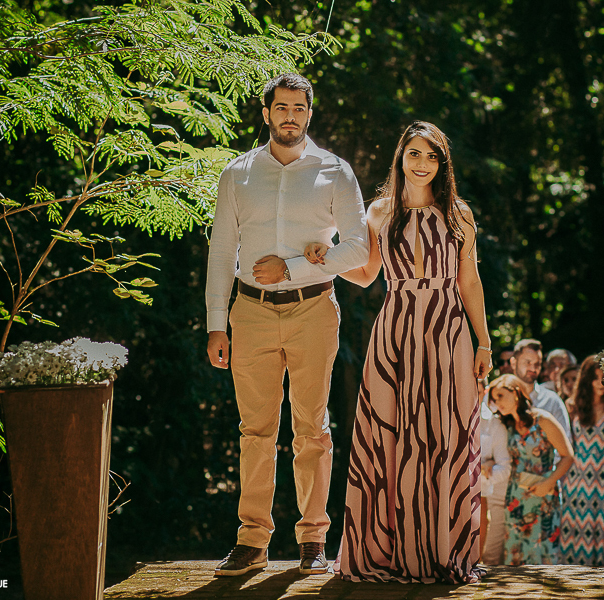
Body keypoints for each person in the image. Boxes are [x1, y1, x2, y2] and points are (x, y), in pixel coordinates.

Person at [306, 121, 491, 583]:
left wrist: (483, 340)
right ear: (401, 156)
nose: (422, 163)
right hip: (397, 328)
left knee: (444, 435)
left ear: (442, 164)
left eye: (432, 156)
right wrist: (322, 260)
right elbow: (368, 275)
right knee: (390, 435)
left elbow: (469, 281)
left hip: (448, 330)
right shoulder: (380, 212)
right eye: (414, 153)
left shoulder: (459, 214)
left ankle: (440, 551)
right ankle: (389, 548)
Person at [205, 73, 369, 576]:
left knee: (312, 430)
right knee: (254, 429)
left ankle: (313, 540)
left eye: (299, 108)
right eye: (282, 107)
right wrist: (216, 323)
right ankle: (252, 541)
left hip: (313, 310)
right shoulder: (238, 173)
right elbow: (220, 251)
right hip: (249, 314)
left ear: (310, 114)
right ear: (266, 112)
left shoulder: (335, 172)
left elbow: (360, 249)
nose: (290, 116)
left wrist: (295, 268)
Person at [487, 374, 574, 566]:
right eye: (494, 398)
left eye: (500, 395)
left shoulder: (543, 419)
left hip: (543, 494)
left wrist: (548, 482)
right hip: (516, 497)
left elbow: (568, 456)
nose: (497, 402)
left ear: (516, 393)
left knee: (543, 557)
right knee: (515, 555)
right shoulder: (507, 425)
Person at [559, 356, 604, 567]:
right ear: (586, 380)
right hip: (577, 479)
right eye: (594, 378)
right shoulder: (572, 406)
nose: (600, 382)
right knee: (577, 530)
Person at [509, 339, 572, 443]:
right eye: (528, 362)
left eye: (537, 364)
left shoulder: (552, 401)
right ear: (513, 362)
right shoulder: (501, 397)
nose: (533, 369)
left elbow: (566, 443)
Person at [480, 380, 512, 565]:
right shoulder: (447, 417)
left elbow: (504, 468)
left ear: (484, 391)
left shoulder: (494, 424)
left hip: (481, 498)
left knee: (480, 558)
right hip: (448, 498)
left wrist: (482, 472)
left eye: (476, 392)